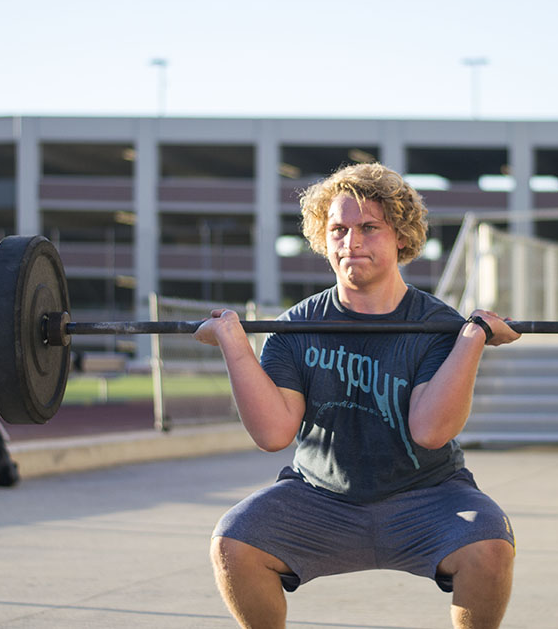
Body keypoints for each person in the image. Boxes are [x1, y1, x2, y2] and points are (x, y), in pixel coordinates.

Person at [194, 162, 520, 628]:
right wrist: (233, 344)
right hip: (320, 497)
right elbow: (272, 433)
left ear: (401, 238)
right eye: (339, 230)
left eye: (369, 228)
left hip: (427, 494)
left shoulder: (437, 326)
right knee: (234, 541)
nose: (352, 242)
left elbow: (430, 431)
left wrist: (471, 339)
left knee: (488, 544)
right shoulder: (294, 328)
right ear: (323, 239)